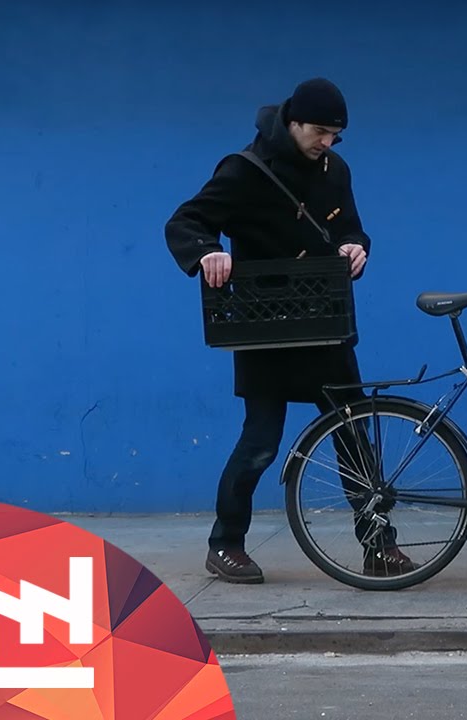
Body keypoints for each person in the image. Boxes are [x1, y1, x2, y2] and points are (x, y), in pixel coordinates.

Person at [164, 77, 417, 584]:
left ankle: (378, 548)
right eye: (320, 131)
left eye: (336, 135)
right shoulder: (244, 170)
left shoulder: (335, 169)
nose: (328, 142)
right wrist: (207, 252)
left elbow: (350, 226)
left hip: (325, 320)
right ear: (293, 122)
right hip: (267, 327)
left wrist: (354, 246)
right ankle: (225, 544)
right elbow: (186, 221)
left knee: (353, 437)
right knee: (260, 441)